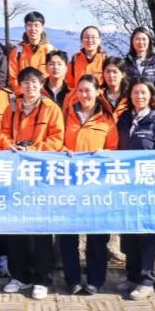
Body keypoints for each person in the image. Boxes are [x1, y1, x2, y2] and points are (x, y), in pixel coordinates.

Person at [0, 67, 65, 300]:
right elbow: (1, 133)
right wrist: (10, 146)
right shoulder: (12, 107)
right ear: (19, 85)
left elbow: (57, 139)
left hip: (41, 176)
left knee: (40, 230)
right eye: (25, 82)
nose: (30, 86)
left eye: (34, 82)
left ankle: (42, 278)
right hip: (16, 175)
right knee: (16, 228)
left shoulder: (51, 108)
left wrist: (33, 150)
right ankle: (19, 276)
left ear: (41, 84)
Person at [59, 75, 118, 294]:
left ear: (98, 92)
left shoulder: (107, 118)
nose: (84, 95)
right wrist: (63, 150)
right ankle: (72, 279)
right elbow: (57, 140)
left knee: (97, 235)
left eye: (88, 90)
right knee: (68, 235)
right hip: (69, 184)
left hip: (97, 185)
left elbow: (115, 148)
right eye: (80, 90)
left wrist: (105, 153)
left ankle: (95, 279)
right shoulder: (66, 114)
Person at [115, 79, 155, 301]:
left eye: (143, 93)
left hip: (149, 187)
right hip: (126, 186)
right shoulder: (124, 119)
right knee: (129, 232)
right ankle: (132, 276)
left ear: (150, 96)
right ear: (130, 96)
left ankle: (147, 281)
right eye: (135, 92)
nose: (139, 96)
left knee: (146, 233)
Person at [8, 11, 53, 93]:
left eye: (36, 25)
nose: (33, 29)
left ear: (42, 28)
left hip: (46, 97)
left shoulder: (51, 51)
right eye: (29, 25)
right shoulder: (17, 52)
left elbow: (56, 78)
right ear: (25, 27)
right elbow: (13, 78)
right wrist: (23, 94)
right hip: (23, 96)